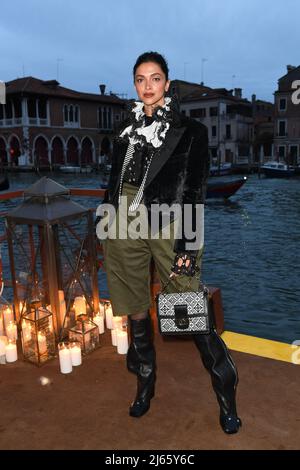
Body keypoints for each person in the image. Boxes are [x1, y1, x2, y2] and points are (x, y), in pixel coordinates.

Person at [96, 51, 241, 434]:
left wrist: (188, 249)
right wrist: (106, 222)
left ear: (167, 82)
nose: (147, 86)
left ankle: (226, 392)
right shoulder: (124, 129)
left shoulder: (190, 131)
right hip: (122, 220)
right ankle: (145, 385)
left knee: (190, 310)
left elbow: (195, 191)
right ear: (135, 84)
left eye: (155, 78)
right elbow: (114, 183)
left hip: (167, 220)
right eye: (141, 79)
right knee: (135, 308)